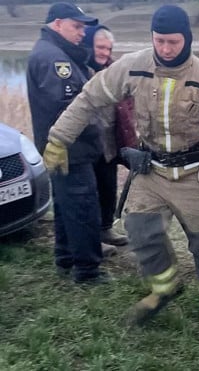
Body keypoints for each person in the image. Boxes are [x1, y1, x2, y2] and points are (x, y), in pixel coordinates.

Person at [41, 4, 199, 327]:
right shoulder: (133, 66)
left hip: (197, 176)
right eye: (159, 40)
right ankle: (166, 287)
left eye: (173, 42)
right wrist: (58, 139)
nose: (165, 49)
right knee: (138, 228)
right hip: (151, 171)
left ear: (187, 39)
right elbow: (89, 97)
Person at [26, 2, 109, 284]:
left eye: (84, 28)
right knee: (83, 206)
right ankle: (87, 272)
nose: (82, 33)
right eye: (76, 26)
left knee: (65, 206)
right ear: (58, 24)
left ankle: (66, 258)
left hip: (62, 148)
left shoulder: (53, 52)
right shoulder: (54, 59)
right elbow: (68, 108)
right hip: (70, 149)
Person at [81, 24, 130, 251]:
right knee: (89, 193)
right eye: (100, 47)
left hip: (109, 141)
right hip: (88, 142)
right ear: (89, 46)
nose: (105, 53)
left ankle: (106, 228)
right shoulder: (80, 69)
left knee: (108, 187)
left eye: (108, 49)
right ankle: (92, 238)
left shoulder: (114, 69)